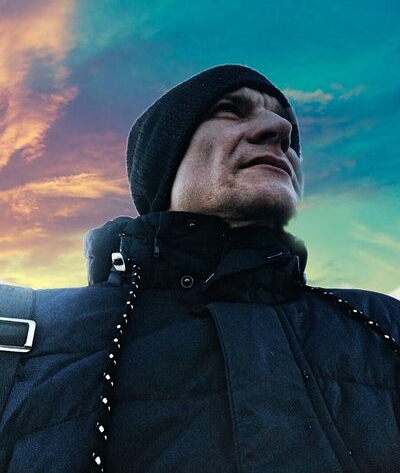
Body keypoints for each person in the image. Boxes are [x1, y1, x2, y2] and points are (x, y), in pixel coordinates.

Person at [0, 64, 399, 472]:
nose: (280, 130)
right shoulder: (19, 335)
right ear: (166, 159)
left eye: (289, 130)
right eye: (230, 111)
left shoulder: (386, 322)